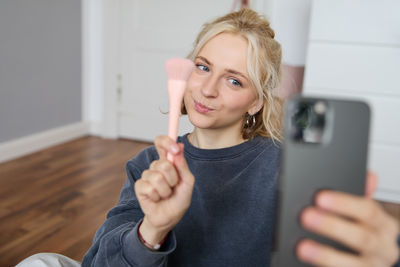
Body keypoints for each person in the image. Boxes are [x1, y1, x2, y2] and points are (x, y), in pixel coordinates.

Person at [17, 8, 400, 267]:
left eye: (234, 80)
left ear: (255, 103)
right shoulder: (150, 165)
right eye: (202, 67)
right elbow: (99, 263)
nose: (208, 89)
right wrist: (151, 230)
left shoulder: (285, 168)